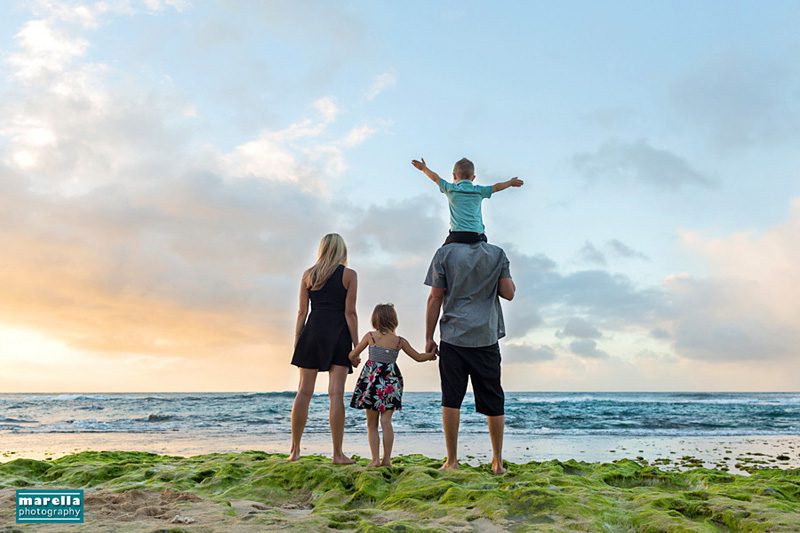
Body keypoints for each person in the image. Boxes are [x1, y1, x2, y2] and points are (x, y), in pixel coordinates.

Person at [424, 241, 516, 474]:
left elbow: (435, 297)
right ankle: (497, 462)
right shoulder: (496, 254)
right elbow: (509, 293)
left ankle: (452, 461)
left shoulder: (444, 253)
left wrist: (428, 337)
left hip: (453, 336)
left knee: (451, 398)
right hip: (485, 337)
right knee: (493, 398)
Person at [289, 233, 358, 464]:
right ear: (342, 250)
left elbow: (301, 312)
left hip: (313, 332)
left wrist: (298, 340)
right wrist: (356, 346)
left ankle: (295, 451)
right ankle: (337, 454)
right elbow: (350, 313)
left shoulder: (308, 274)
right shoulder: (349, 275)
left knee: (304, 391)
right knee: (335, 393)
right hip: (338, 333)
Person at [349, 303, 436, 467]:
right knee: (386, 422)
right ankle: (387, 460)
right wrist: (431, 355)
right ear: (393, 320)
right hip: (391, 382)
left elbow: (353, 354)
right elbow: (418, 357)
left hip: (373, 382)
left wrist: (355, 359)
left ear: (375, 319)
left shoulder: (370, 337)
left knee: (371, 424)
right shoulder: (399, 341)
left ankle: (374, 460)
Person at [411, 157, 524, 245]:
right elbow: (496, 187)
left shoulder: (450, 189)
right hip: (478, 236)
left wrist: (423, 168)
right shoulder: (479, 191)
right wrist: (510, 183)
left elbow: (435, 178)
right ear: (473, 178)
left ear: (454, 175)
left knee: (441, 257)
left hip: (457, 236)